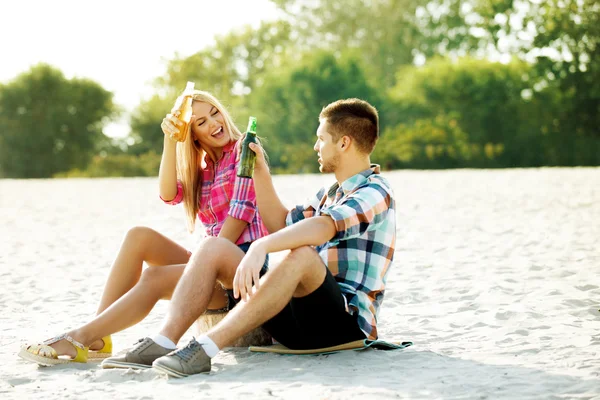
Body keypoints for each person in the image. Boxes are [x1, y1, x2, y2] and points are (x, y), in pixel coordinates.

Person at [101, 98, 396, 378]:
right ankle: (164, 341)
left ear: (343, 142)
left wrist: (261, 245)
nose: (315, 145)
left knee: (303, 255)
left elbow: (323, 227)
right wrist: (260, 172)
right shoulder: (330, 194)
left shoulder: (375, 191)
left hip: (343, 325)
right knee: (214, 246)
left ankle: (204, 347)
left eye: (321, 138)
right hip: (299, 324)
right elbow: (281, 223)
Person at [18, 90, 269, 366]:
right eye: (200, 122)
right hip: (211, 264)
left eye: (215, 113)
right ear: (193, 134)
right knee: (139, 237)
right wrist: (169, 141)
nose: (213, 123)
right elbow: (168, 193)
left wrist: (203, 263)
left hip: (240, 272)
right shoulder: (206, 168)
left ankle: (79, 336)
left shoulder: (243, 150)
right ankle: (99, 338)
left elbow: (241, 214)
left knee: (154, 277)